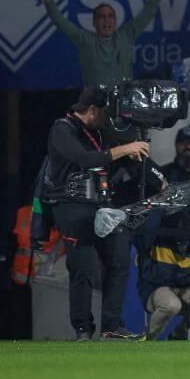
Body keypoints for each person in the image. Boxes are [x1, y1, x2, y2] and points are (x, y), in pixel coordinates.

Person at [45, 86, 150, 340]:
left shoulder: (100, 132)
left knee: (119, 260)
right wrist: (125, 149)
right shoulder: (62, 128)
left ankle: (111, 326)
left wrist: (133, 154)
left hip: (102, 205)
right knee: (84, 266)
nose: (108, 119)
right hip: (71, 205)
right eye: (105, 114)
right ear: (91, 110)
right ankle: (83, 329)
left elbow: (114, 158)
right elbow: (85, 159)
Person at [36, 0, 170, 86]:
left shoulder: (126, 35)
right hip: (95, 105)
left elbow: (149, 10)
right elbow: (58, 19)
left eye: (111, 16)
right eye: (102, 16)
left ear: (116, 21)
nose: (107, 20)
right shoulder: (85, 40)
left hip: (123, 104)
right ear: (94, 22)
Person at [134, 211, 190, 341]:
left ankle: (179, 338)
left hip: (187, 285)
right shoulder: (155, 225)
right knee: (171, 304)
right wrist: (160, 207)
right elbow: (141, 237)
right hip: (156, 286)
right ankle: (149, 340)